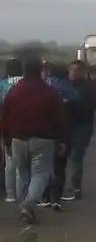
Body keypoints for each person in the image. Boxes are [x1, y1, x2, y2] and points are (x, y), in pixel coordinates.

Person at [0, 59, 66, 224]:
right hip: (43, 139)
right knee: (41, 173)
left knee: (21, 173)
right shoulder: (49, 92)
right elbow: (59, 118)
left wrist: (7, 141)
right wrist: (62, 139)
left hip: (17, 139)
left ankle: (23, 206)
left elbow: (4, 118)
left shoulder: (14, 91)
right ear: (40, 71)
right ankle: (28, 205)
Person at [63, 60, 96, 201]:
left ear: (82, 72)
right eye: (71, 70)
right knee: (62, 157)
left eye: (77, 70)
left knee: (76, 157)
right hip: (65, 126)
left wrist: (75, 104)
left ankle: (75, 188)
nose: (73, 73)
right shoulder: (63, 85)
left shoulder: (89, 87)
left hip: (82, 126)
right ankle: (61, 188)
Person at [41, 63, 80, 210]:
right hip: (64, 132)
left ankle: (44, 197)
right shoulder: (69, 89)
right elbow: (78, 103)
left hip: (45, 133)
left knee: (43, 167)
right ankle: (57, 199)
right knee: (59, 167)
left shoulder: (45, 87)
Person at [0, 58, 23, 203]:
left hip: (6, 125)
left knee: (9, 161)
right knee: (22, 163)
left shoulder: (2, 84)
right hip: (25, 126)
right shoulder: (25, 82)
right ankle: (23, 194)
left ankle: (10, 194)